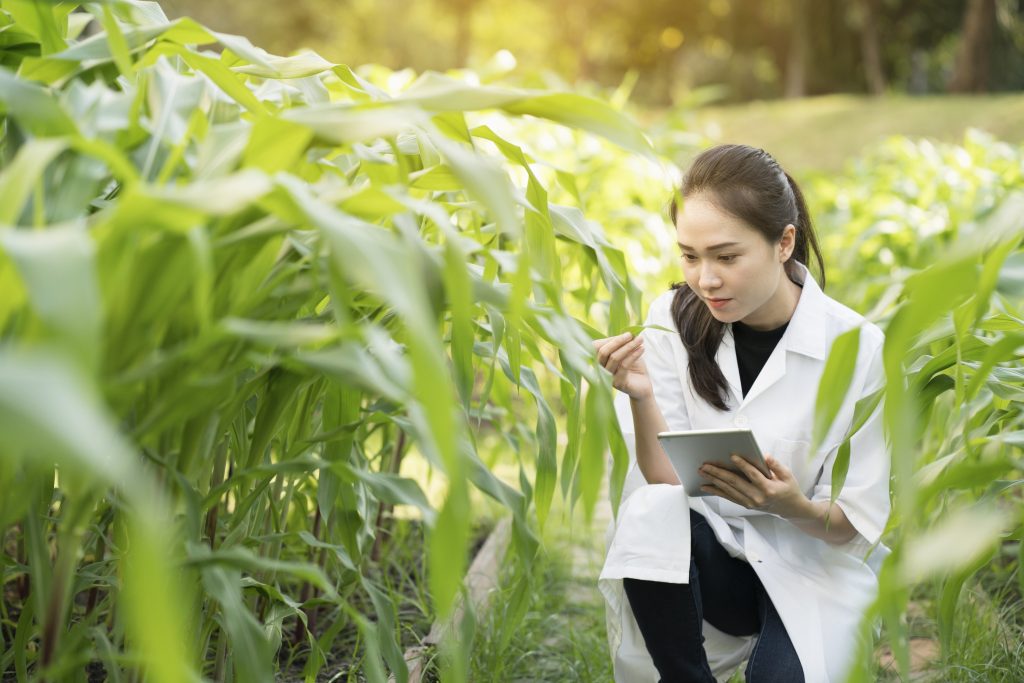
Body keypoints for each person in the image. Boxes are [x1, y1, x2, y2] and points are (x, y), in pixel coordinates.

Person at [593, 144, 891, 683]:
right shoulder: (672, 320)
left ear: (784, 242)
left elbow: (857, 520)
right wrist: (640, 394)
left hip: (811, 568)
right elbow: (664, 480)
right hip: (713, 568)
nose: (705, 279)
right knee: (647, 511)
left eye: (726, 257)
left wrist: (792, 505)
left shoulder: (857, 348)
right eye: (689, 255)